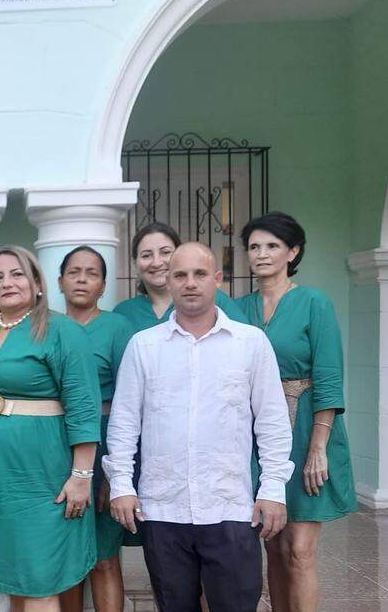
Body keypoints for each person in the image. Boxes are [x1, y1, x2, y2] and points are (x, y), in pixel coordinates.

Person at [105, 242, 294, 612]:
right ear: (169, 282)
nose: (190, 283)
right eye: (180, 275)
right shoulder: (144, 346)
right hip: (163, 509)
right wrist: (121, 485)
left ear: (217, 280)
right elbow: (125, 421)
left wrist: (273, 489)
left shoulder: (250, 343)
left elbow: (272, 421)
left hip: (230, 507)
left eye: (200, 274)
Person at [0, 245, 102, 612]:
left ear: (38, 282)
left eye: (17, 274)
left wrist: (81, 476)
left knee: (40, 575)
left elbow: (83, 405)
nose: (7, 282)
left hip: (43, 475)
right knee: (12, 571)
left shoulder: (63, 330)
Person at [236, 212, 356, 612]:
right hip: (257, 434)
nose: (262, 254)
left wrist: (318, 447)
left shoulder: (313, 302)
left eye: (272, 246)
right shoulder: (239, 308)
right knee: (273, 543)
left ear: (293, 251)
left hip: (307, 429)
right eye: (254, 247)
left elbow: (328, 374)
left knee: (299, 551)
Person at [56, 246, 136, 612]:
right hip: (56, 443)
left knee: (104, 557)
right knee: (66, 557)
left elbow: (130, 401)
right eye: (74, 272)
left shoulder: (117, 328)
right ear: (59, 281)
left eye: (91, 273)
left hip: (105, 442)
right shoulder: (47, 326)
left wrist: (115, 472)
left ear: (104, 285)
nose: (82, 279)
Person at [112, 222, 248, 332]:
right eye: (146, 255)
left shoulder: (217, 300)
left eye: (165, 252)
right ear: (135, 264)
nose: (157, 262)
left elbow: (243, 344)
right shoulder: (124, 313)